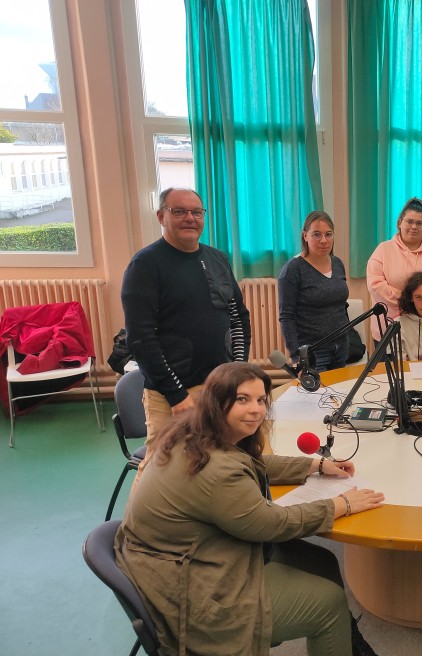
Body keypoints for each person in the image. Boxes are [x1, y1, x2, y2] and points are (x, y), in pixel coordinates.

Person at [114, 362, 385, 656]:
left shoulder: (196, 434)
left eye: (260, 400)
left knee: (322, 559)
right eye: (242, 399)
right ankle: (335, 627)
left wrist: (314, 465)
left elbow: (252, 462)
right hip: (193, 590)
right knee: (328, 603)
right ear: (217, 402)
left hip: (187, 555)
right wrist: (341, 504)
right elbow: (271, 524)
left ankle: (345, 642)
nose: (256, 410)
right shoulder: (217, 471)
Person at [121, 187, 250, 450]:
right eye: (179, 211)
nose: (190, 218)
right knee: (163, 465)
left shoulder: (217, 258)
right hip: (173, 395)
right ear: (161, 217)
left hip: (219, 387)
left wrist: (236, 373)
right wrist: (175, 394)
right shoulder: (144, 265)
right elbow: (141, 338)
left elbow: (238, 318)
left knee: (222, 459)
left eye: (196, 212)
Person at [366, 197, 422, 344]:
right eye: (409, 221)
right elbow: (375, 284)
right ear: (399, 223)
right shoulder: (383, 249)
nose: (414, 226)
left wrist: (421, 302)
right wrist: (407, 300)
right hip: (390, 327)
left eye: (419, 223)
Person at [278, 211, 350, 373]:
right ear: (305, 236)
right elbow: (286, 317)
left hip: (341, 346)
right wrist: (297, 356)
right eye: (316, 234)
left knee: (338, 388)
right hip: (313, 351)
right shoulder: (293, 269)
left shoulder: (337, 263)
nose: (323, 240)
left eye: (328, 234)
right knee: (318, 390)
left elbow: (341, 305)